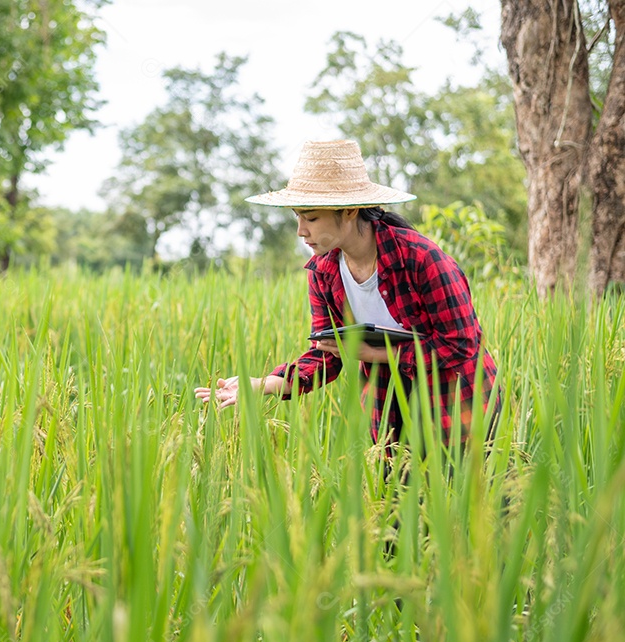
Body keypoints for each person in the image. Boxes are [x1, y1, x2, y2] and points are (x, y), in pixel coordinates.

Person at [195, 139, 500, 447]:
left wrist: (377, 354)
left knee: (461, 492)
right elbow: (327, 350)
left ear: (351, 210)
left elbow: (461, 345)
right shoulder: (323, 272)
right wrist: (266, 383)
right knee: (392, 492)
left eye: (311, 217)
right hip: (388, 405)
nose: (301, 230)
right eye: (297, 217)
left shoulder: (420, 259)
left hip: (457, 400)